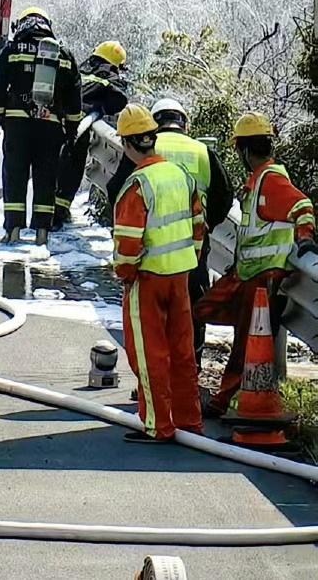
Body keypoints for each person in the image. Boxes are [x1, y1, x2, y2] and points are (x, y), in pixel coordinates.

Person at [196, 113, 316, 418]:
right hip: (246, 275)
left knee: (243, 344)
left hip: (264, 281)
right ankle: (191, 385)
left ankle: (221, 401)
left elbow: (301, 205)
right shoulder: (260, 181)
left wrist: (305, 237)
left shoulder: (271, 180)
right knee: (199, 311)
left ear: (244, 150)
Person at [105, 97, 234, 365]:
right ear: (184, 123)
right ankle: (190, 372)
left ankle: (156, 378)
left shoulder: (143, 146)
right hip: (193, 248)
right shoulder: (201, 151)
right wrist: (205, 225)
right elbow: (224, 196)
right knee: (191, 312)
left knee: (154, 321)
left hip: (150, 253)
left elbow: (117, 189)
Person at [113, 104, 204, 443]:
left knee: (150, 353)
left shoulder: (138, 184)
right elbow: (199, 226)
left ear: (127, 144)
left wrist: (125, 273)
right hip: (180, 277)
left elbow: (128, 242)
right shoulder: (181, 175)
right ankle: (189, 422)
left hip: (147, 280)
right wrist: (186, 259)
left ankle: (158, 425)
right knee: (182, 351)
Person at [0, 6, 81, 246]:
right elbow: (74, 98)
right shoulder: (64, 54)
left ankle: (13, 231)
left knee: (15, 175)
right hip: (50, 127)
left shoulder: (12, 50)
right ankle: (42, 234)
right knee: (46, 178)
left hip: (17, 126)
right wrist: (71, 131)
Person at [53, 40, 129, 229]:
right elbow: (121, 97)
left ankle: (44, 213)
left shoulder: (81, 68)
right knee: (71, 171)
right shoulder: (107, 74)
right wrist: (102, 108)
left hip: (55, 123)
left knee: (49, 168)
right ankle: (59, 213)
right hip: (78, 127)